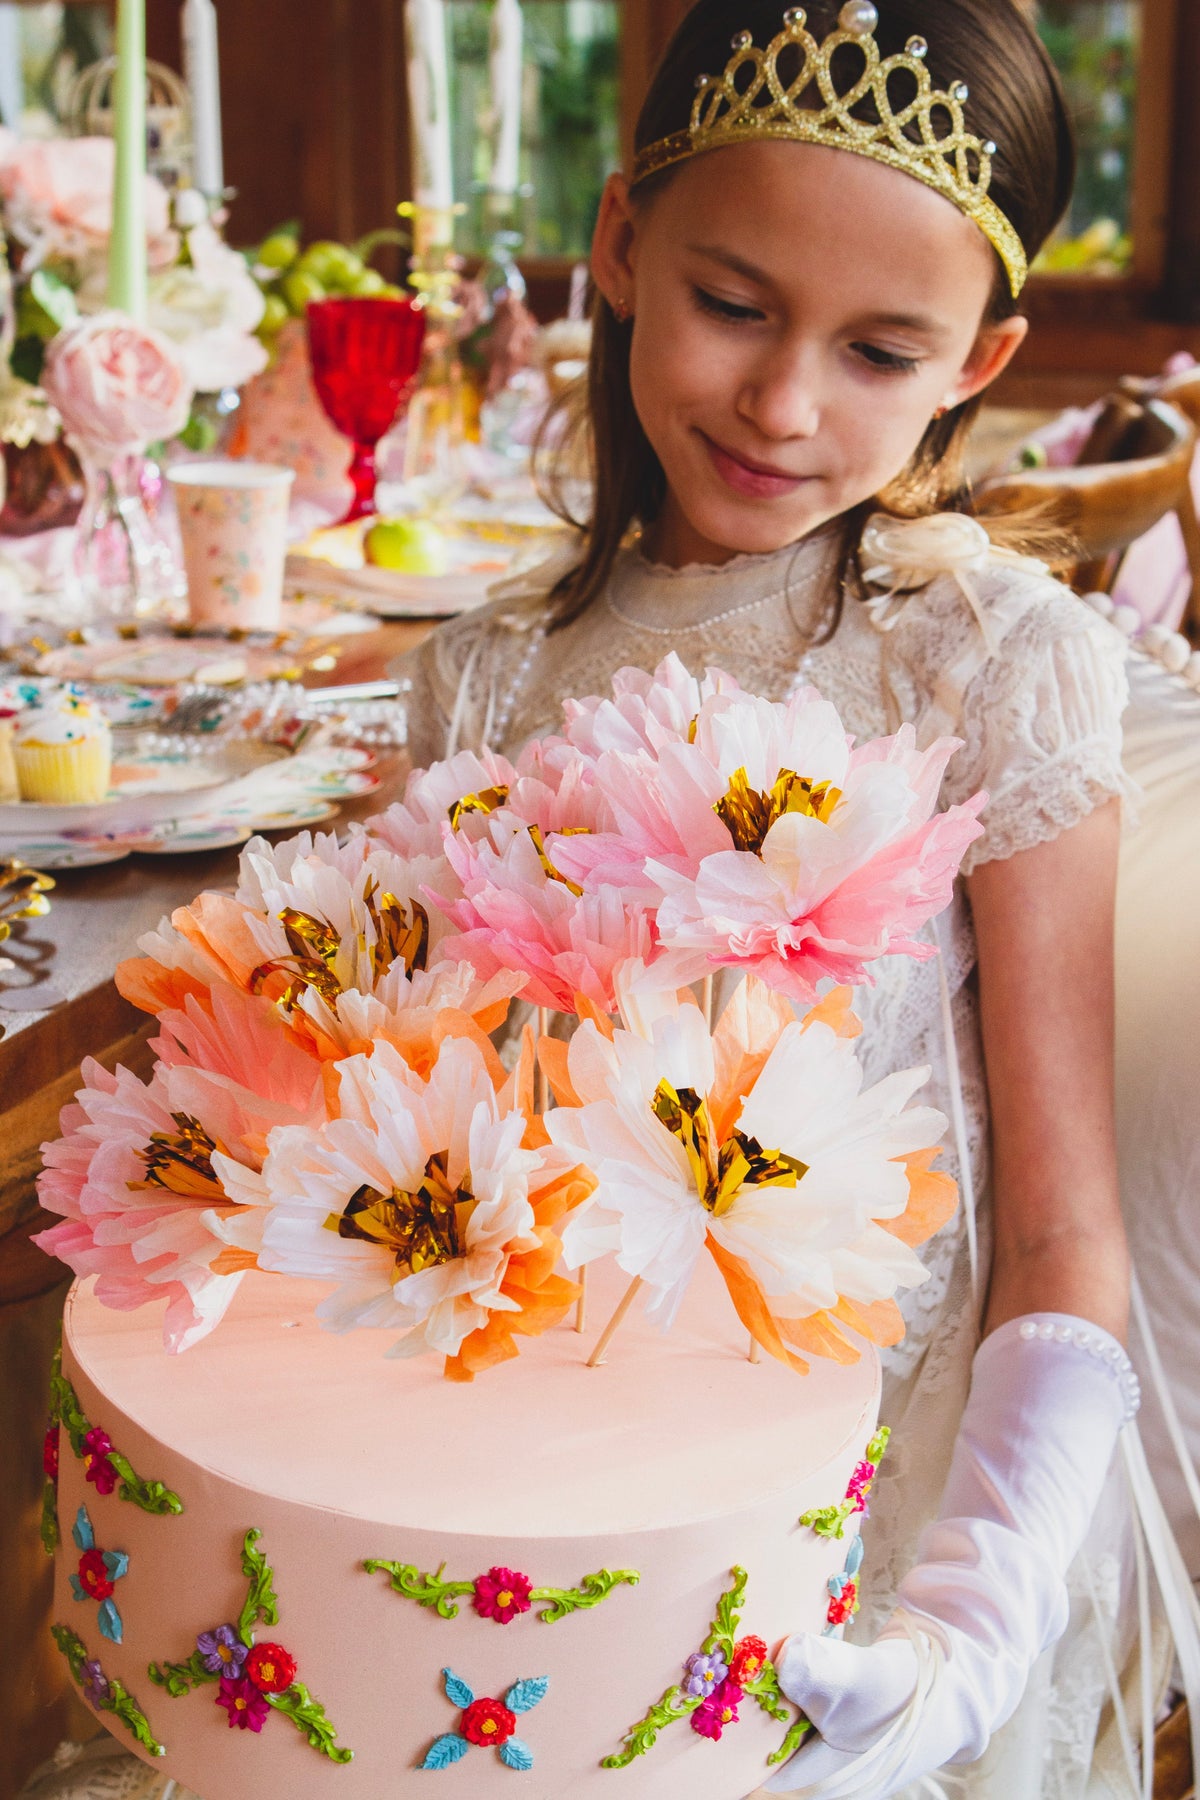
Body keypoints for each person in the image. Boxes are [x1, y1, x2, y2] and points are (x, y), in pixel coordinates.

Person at [399, 3, 1157, 1795]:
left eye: (883, 349)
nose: (783, 402)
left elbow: (1058, 1231)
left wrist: (970, 1621)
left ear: (981, 363)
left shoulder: (990, 663)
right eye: (732, 304)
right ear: (619, 245)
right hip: (543, 1490)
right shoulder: (478, 683)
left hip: (863, 1530)